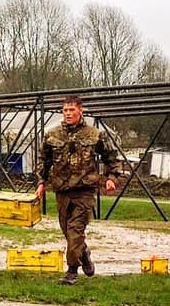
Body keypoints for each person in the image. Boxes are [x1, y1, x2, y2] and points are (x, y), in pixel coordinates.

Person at [36, 95, 120, 285]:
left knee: (75, 230)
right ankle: (85, 255)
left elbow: (111, 157)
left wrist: (112, 178)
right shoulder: (52, 135)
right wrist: (41, 183)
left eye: (71, 110)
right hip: (61, 189)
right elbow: (43, 161)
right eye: (65, 110)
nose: (68, 114)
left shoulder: (94, 134)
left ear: (80, 111)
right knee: (68, 231)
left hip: (84, 189)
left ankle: (72, 271)